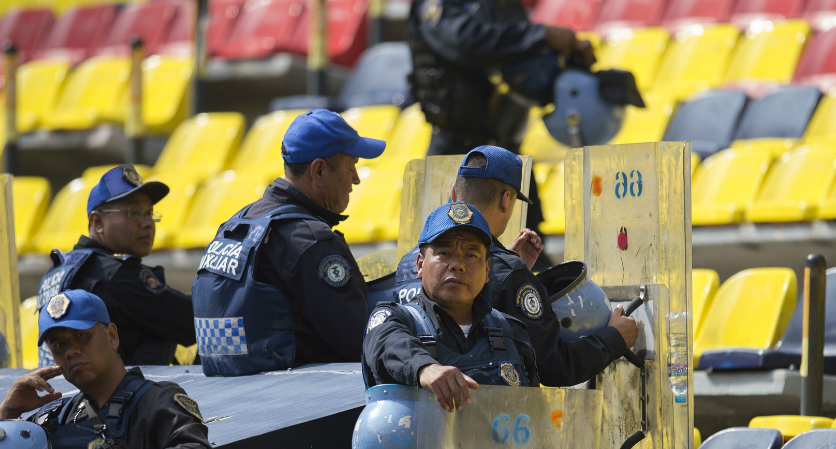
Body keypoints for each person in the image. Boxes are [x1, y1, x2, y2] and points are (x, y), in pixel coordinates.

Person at [360, 201, 540, 449]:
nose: (457, 264)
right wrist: (425, 369)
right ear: (420, 264)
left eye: (471, 254)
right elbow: (386, 344)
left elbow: (537, 423)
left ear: (487, 270)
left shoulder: (512, 332)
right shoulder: (395, 320)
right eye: (443, 252)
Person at [394, 146, 638, 387]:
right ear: (506, 199)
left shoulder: (412, 261)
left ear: (454, 194)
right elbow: (553, 366)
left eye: (473, 256)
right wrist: (614, 338)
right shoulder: (508, 272)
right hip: (482, 406)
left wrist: (505, 263)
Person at [191, 110, 385, 375]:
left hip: (221, 391)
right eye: (351, 166)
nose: (356, 179)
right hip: (298, 397)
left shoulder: (235, 225)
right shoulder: (313, 242)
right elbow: (359, 344)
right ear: (318, 170)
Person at [407, 0, 596, 264]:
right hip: (457, 150)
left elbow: (525, 61)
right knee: (445, 254)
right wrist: (541, 35)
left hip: (506, 151)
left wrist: (567, 58)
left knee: (530, 253)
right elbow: (463, 42)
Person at [0, 289, 217, 449]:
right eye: (58, 345)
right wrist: (6, 415)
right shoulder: (54, 416)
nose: (70, 352)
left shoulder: (156, 399)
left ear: (112, 336)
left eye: (81, 336)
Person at [37, 165, 195, 367]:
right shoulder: (116, 274)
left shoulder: (57, 270)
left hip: (56, 385)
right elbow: (195, 322)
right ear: (98, 222)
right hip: (120, 388)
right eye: (134, 212)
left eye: (150, 212)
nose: (148, 223)